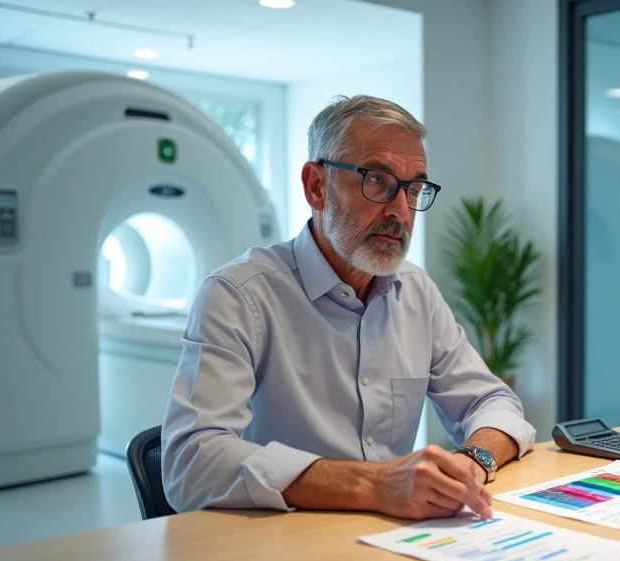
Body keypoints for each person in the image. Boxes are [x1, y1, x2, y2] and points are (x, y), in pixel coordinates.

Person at [161, 96, 535, 520]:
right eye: (378, 180)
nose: (401, 210)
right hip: (280, 542)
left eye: (414, 189)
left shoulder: (416, 292)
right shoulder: (239, 295)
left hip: (395, 536)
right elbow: (190, 462)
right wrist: (374, 485)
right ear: (316, 187)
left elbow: (491, 400)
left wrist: (473, 462)